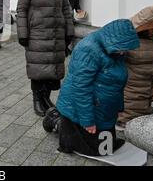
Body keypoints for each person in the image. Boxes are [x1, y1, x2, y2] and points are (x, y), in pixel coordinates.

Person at [43, 19, 140, 157]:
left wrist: (116, 108)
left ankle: (60, 120)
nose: (125, 52)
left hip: (100, 105)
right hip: (81, 105)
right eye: (123, 48)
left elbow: (115, 83)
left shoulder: (115, 49)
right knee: (92, 148)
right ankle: (54, 120)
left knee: (106, 147)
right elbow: (81, 88)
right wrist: (87, 121)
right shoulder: (88, 49)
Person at [16, 0, 74, 117]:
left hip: (56, 35)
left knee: (52, 72)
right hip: (37, 35)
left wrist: (69, 31)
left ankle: (46, 99)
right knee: (38, 70)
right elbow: (21, 10)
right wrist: (23, 33)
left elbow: (66, 8)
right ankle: (37, 100)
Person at [117, 6, 153, 129]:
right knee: (129, 123)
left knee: (150, 123)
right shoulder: (125, 32)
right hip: (131, 86)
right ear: (144, 24)